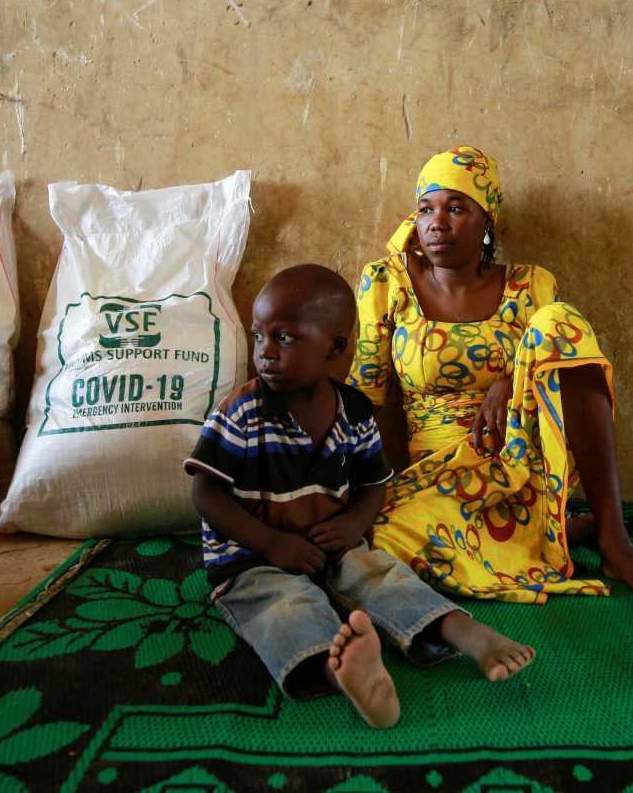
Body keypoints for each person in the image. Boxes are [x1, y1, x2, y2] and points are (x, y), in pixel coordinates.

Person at [187, 264, 535, 728]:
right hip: (253, 559)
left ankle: (466, 633)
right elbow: (206, 493)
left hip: (333, 544)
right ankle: (344, 673)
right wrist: (272, 544)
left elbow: (374, 481)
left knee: (381, 574)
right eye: (258, 337)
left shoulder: (353, 411)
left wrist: (353, 525)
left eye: (284, 338)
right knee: (284, 606)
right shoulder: (240, 414)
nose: (265, 353)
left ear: (335, 347)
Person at [349, 146, 633, 605]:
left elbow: (554, 364)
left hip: (522, 460)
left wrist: (509, 381)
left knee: (559, 321)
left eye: (456, 208)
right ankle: (548, 529)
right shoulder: (387, 283)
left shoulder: (530, 286)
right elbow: (368, 398)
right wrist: (385, 488)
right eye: (426, 209)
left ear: (487, 223)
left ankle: (614, 541)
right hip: (439, 477)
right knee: (377, 541)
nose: (437, 222)